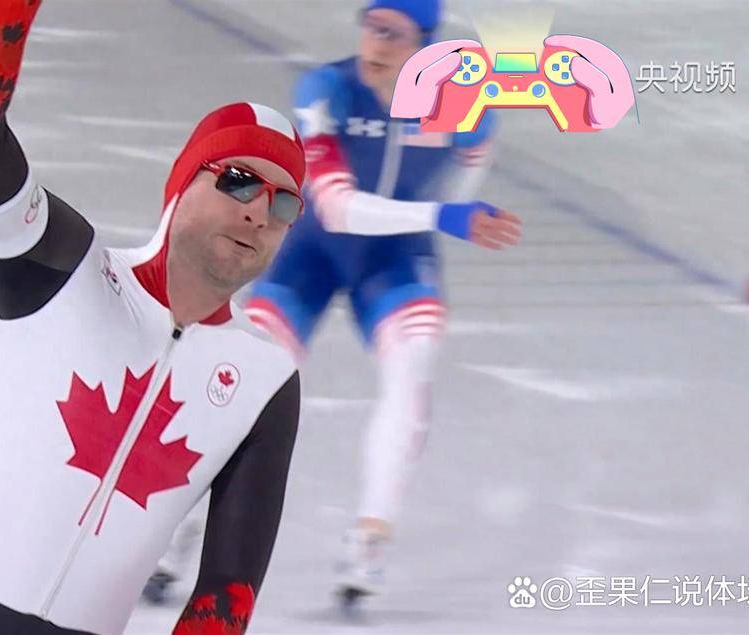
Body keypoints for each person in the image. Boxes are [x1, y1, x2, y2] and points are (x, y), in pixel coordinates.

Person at [0, 1, 312, 633]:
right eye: (238, 180)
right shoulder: (64, 264)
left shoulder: (265, 380)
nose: (259, 212)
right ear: (182, 184)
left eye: (284, 203)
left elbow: (225, 595)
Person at [147, 0, 523, 610]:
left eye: (393, 33)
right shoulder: (328, 90)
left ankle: (369, 539)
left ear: (426, 44)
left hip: (395, 258)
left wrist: (441, 215)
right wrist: (442, 216)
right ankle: (181, 529)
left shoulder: (466, 105)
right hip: (312, 253)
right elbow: (339, 207)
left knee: (413, 366)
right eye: (371, 26)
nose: (376, 43)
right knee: (246, 380)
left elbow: (466, 173)